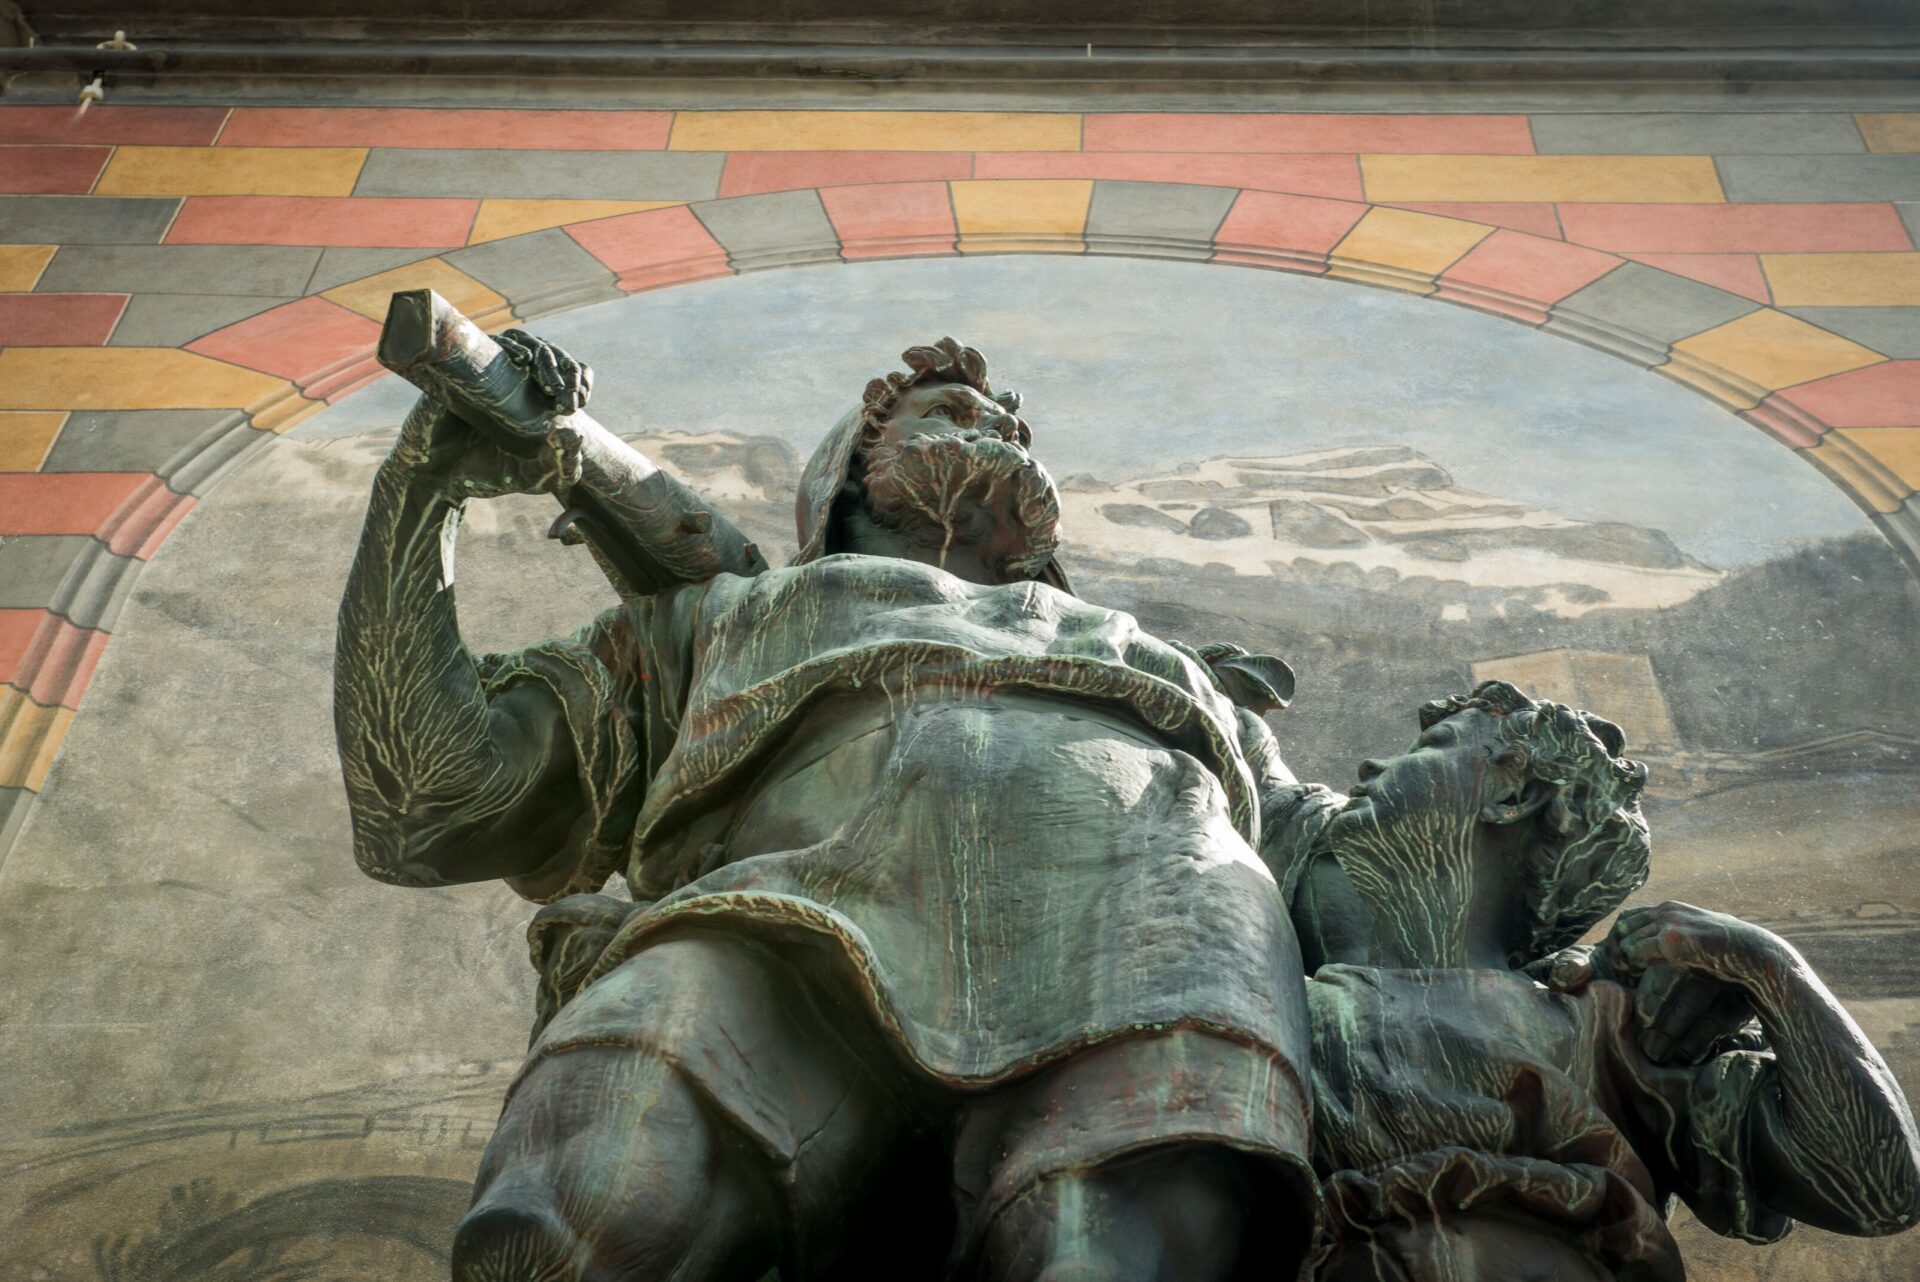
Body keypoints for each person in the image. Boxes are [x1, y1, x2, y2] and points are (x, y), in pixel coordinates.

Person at [334, 335, 1322, 1281]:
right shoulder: (720, 620)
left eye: (1011, 428)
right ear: (847, 470)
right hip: (778, 935)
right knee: (576, 1213)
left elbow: (1323, 855)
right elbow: (429, 798)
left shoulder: (1157, 657)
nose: (997, 426)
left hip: (1151, 945)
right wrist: (423, 486)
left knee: (1100, 1260)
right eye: (951, 409)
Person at [1272, 679, 1920, 1280]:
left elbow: (1878, 1191)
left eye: (1431, 748)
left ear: (1514, 794)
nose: (1367, 769)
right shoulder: (1268, 1000)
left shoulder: (1609, 1020)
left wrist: (1766, 965)